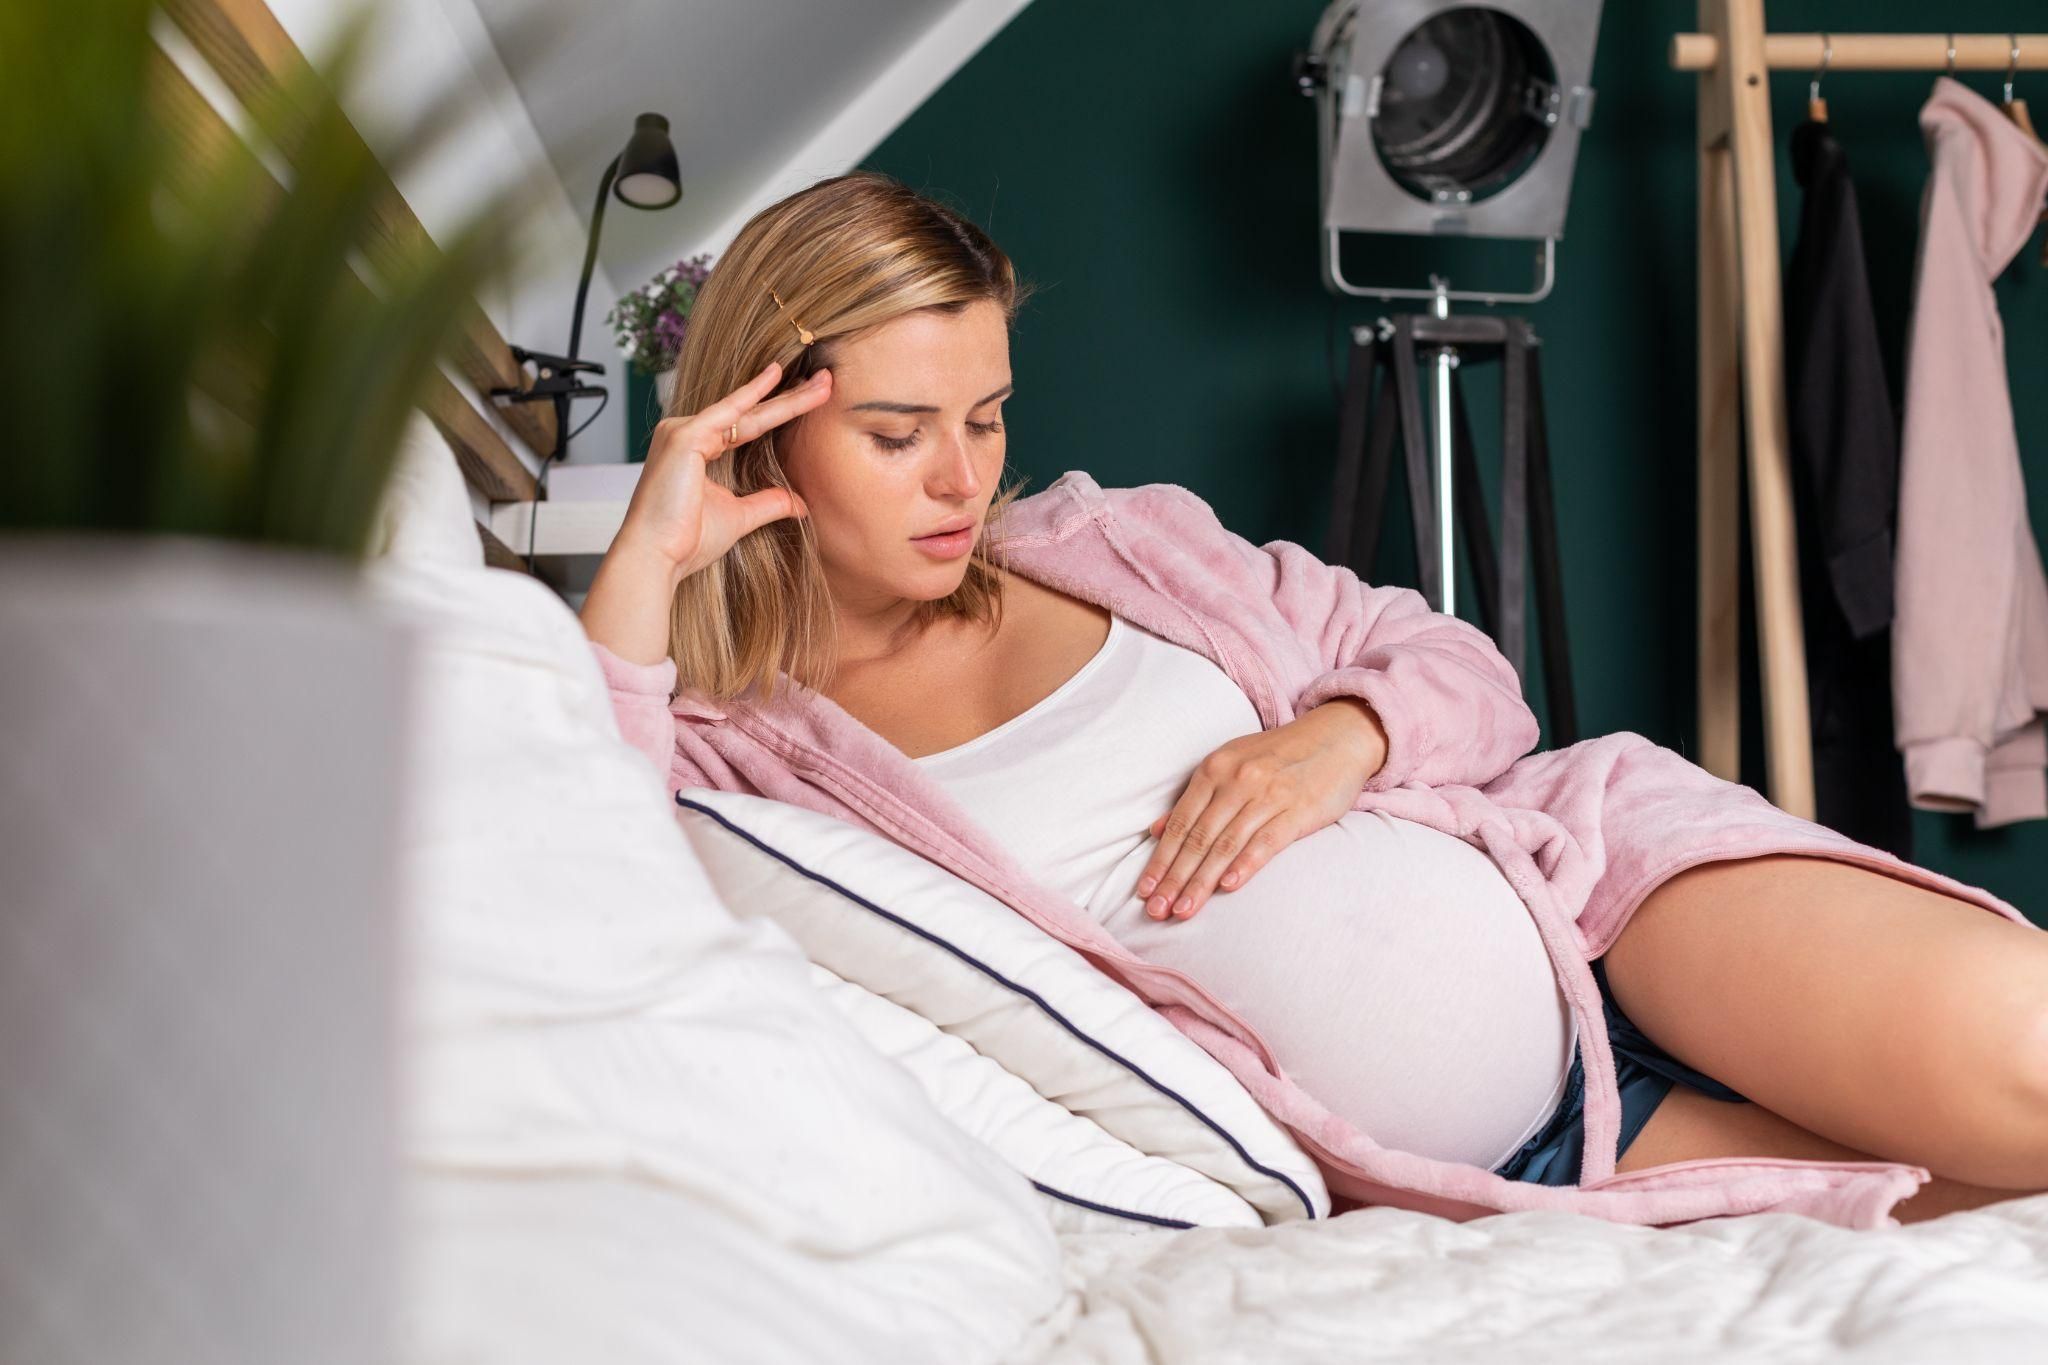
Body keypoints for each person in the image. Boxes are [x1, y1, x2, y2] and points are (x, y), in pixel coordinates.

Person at [578, 170, 2048, 1228]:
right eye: (900, 434)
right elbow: (580, 867)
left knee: (2028, 1062)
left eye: (986, 414)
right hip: (1532, 1151)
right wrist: (648, 558)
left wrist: (1335, 741)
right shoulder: (740, 753)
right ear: (759, 424)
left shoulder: (1111, 539)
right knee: (1971, 1208)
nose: (964, 476)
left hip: (1596, 900)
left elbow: (1464, 670)